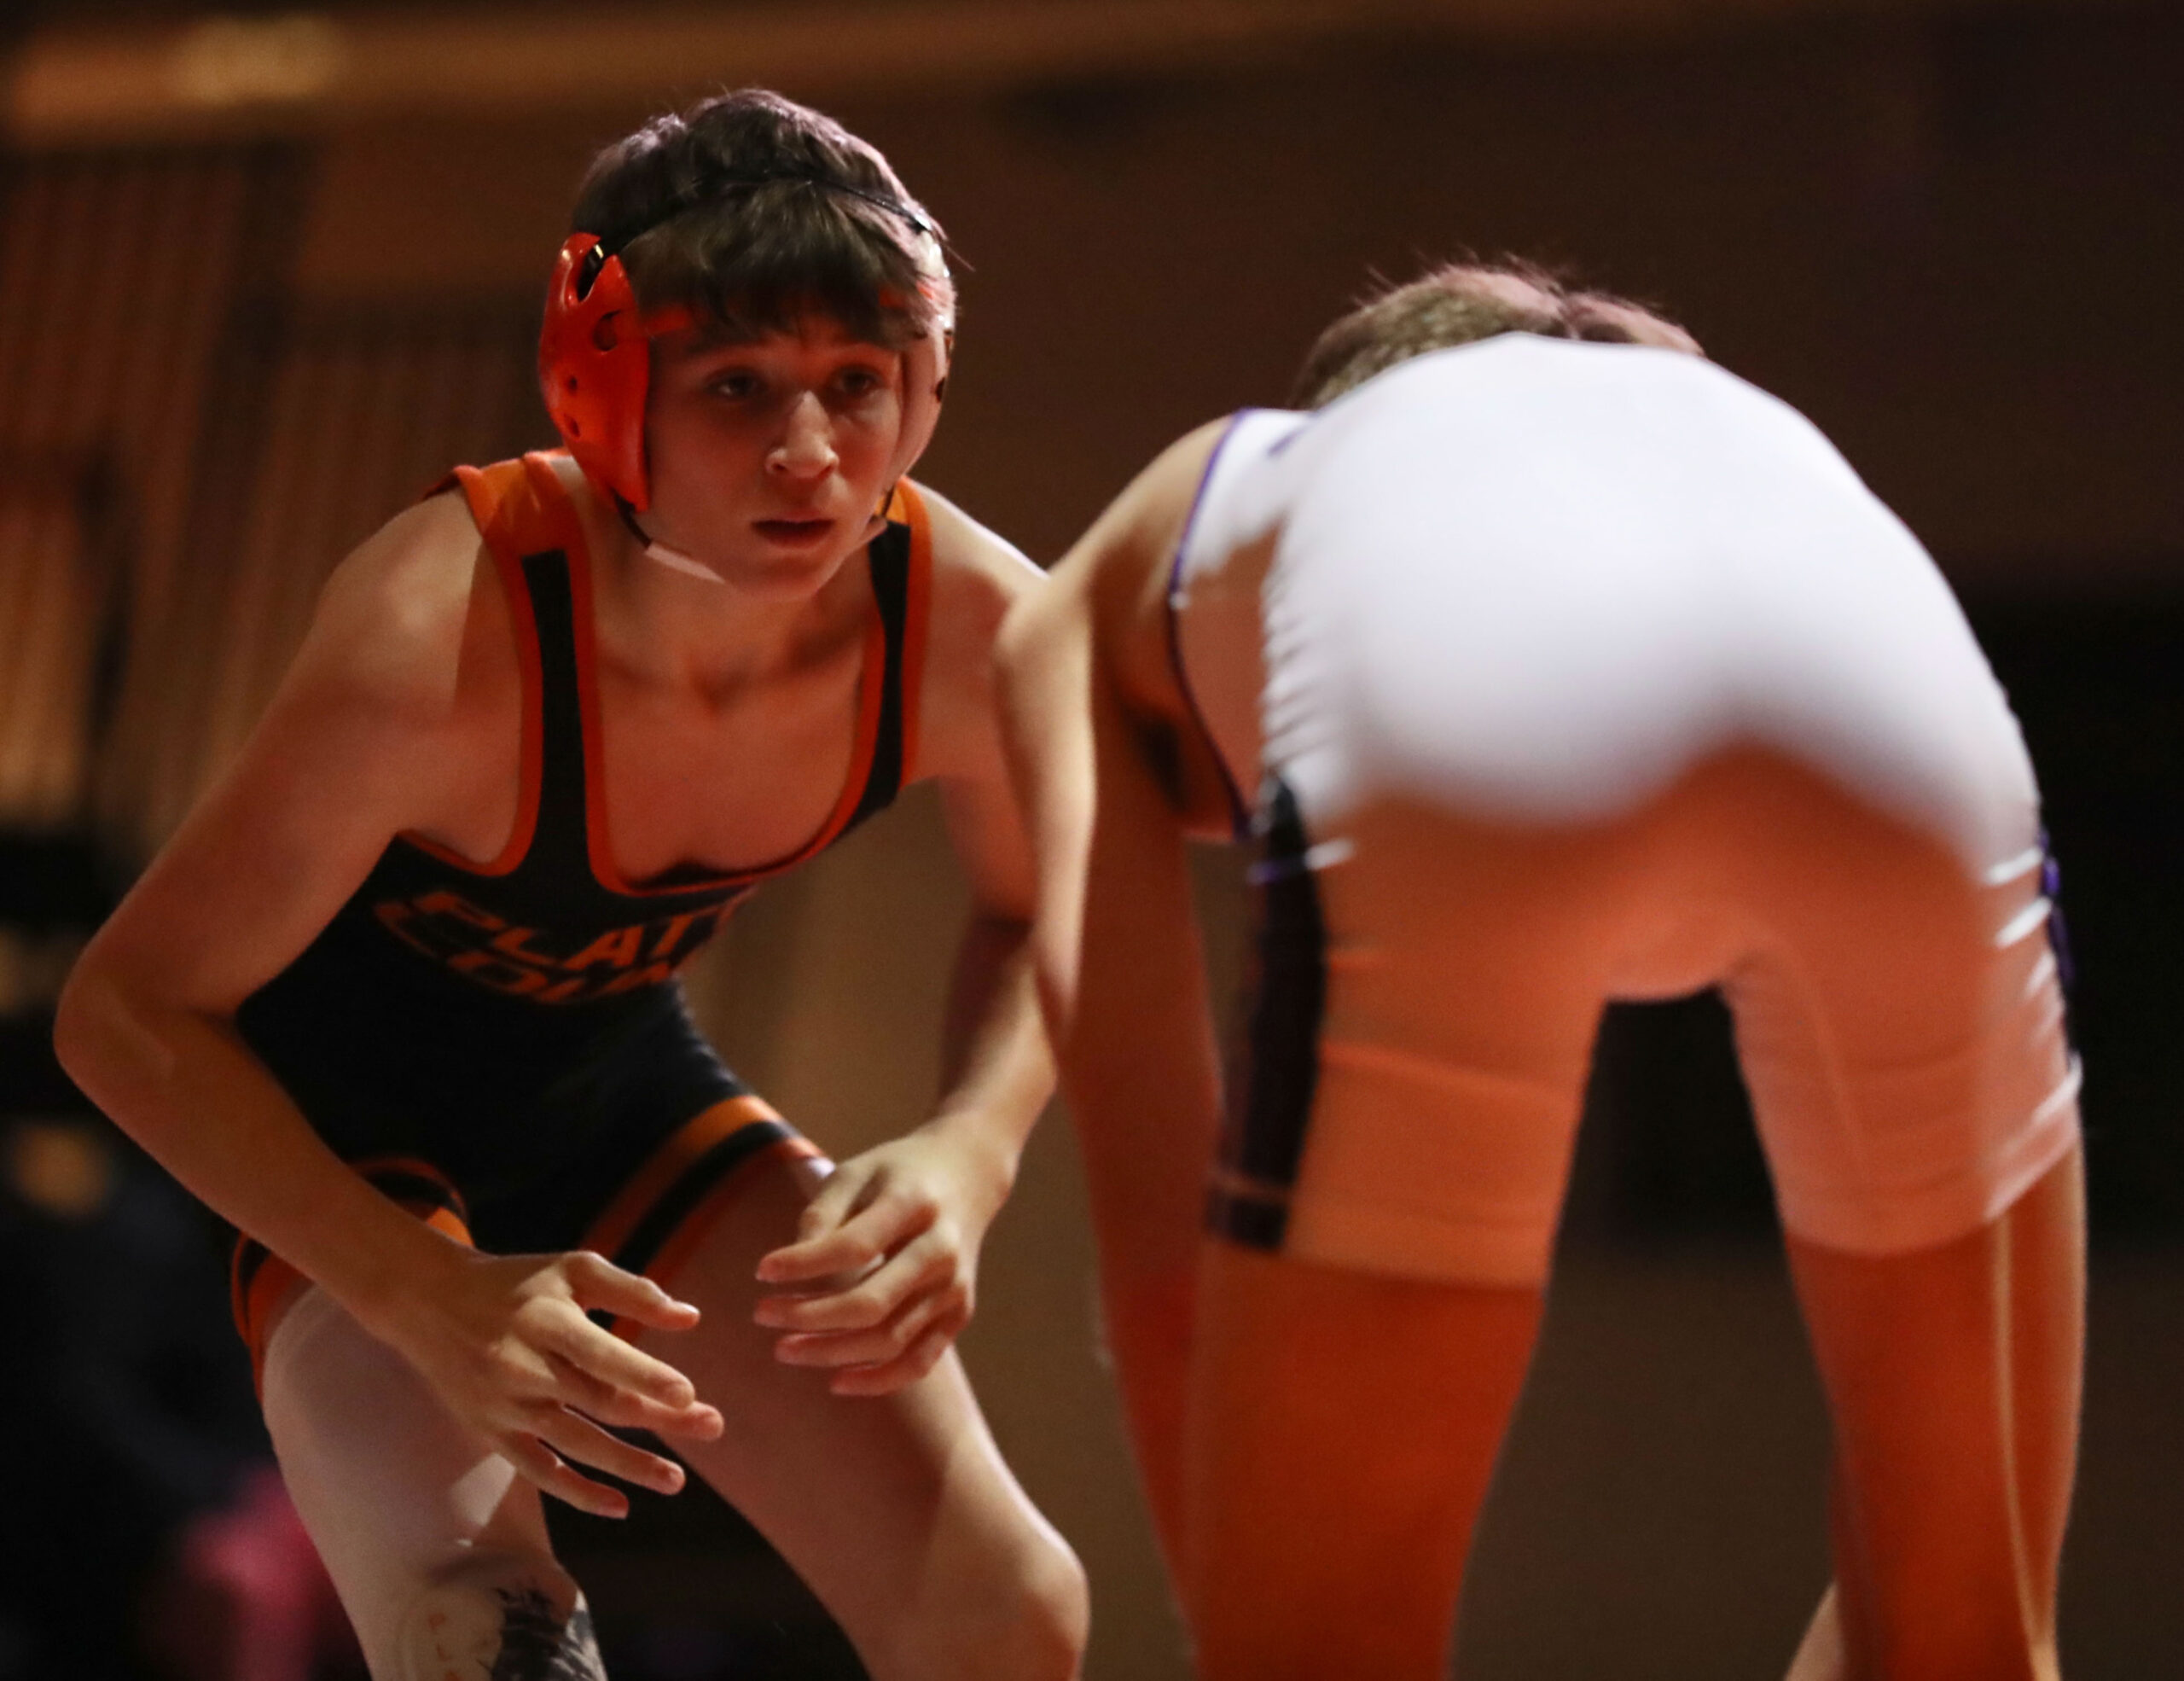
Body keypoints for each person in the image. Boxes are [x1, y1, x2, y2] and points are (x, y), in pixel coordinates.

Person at [56, 89, 1087, 1681]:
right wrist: (422, 1292)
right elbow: (124, 1014)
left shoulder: (971, 625)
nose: (811, 454)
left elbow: (1043, 910)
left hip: (610, 1090)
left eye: (856, 384)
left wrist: (972, 1148)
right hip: (334, 1134)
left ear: (925, 388)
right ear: (604, 390)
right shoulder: (443, 625)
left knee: (1006, 1612)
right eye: (738, 385)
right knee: (490, 1636)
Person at [996, 263, 2083, 1681]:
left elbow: (1169, 1283)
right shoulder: (1751, 452)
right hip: (1914, 727)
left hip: (1470, 726)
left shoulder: (1195, 516)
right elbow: (1986, 1608)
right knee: (1972, 1637)